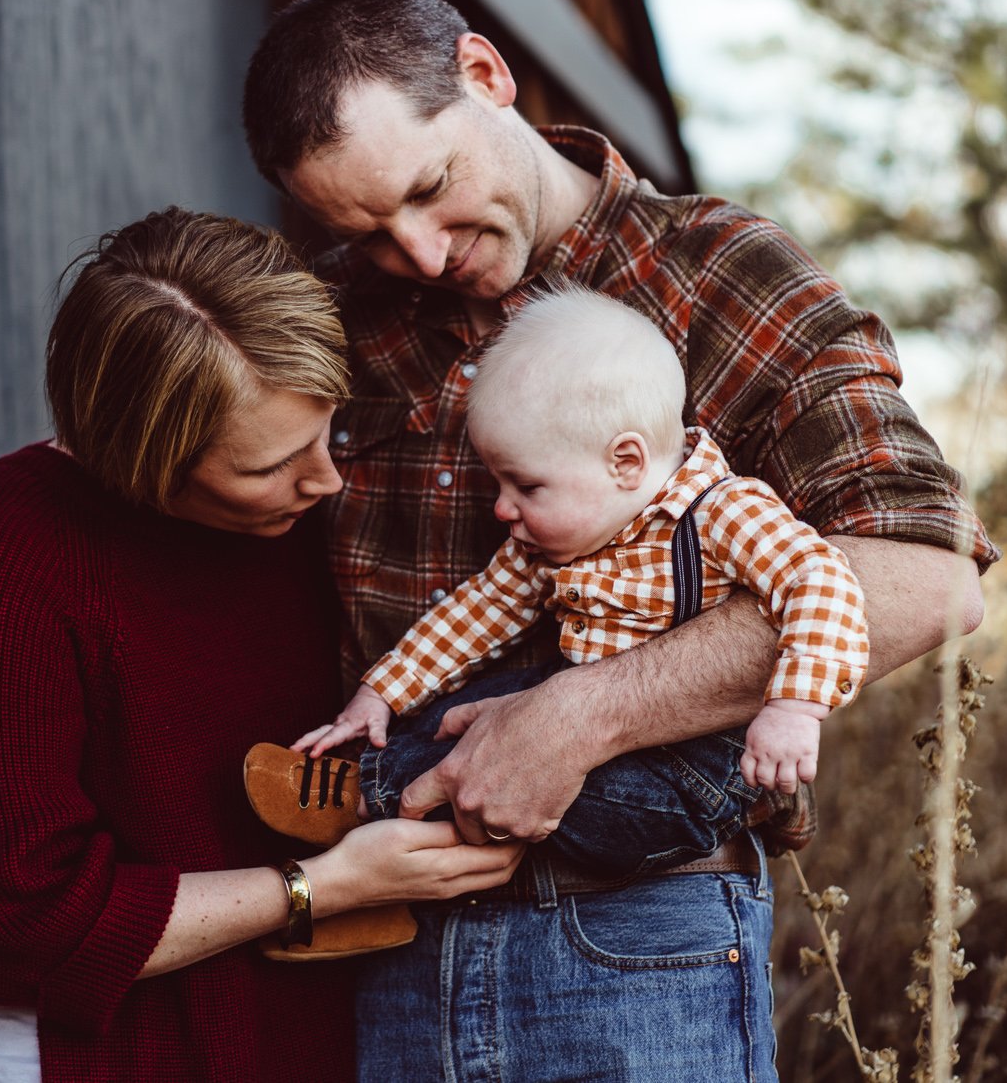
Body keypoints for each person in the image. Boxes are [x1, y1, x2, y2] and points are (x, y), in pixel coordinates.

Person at [241, 0, 997, 1079]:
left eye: (430, 187)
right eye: (366, 228)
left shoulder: (718, 273)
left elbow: (926, 575)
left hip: (639, 940)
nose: (420, 253)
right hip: (383, 947)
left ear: (485, 75)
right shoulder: (338, 314)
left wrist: (581, 717)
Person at [0, 208, 523, 1083]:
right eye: (269, 465)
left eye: (327, 431)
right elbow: (13, 921)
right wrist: (321, 886)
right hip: (70, 1056)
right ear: (141, 459)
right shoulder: (3, 552)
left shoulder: (304, 525)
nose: (326, 478)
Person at [247, 286, 865, 900]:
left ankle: (364, 798)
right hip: (563, 704)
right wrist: (381, 691)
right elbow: (478, 611)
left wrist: (793, 708)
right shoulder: (553, 540)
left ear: (625, 462)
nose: (501, 507)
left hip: (689, 765)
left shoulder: (723, 512)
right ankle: (384, 867)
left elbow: (822, 580)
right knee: (452, 718)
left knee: (606, 807)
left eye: (526, 486)